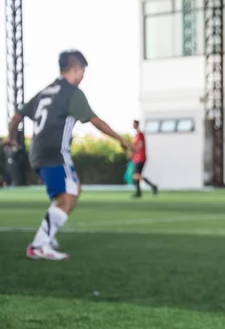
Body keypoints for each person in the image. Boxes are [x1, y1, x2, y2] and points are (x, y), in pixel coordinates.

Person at [1, 50, 131, 261]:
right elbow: (95, 121)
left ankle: (46, 236)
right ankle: (39, 245)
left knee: (73, 190)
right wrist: (121, 139)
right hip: (56, 154)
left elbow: (17, 116)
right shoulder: (72, 93)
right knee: (68, 198)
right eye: (82, 71)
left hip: (38, 152)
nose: (82, 76)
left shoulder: (46, 91)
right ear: (76, 68)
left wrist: (12, 137)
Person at [132, 119, 158, 198]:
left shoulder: (140, 134)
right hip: (137, 158)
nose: (133, 125)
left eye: (134, 124)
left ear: (137, 124)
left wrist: (133, 152)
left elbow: (140, 145)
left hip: (141, 158)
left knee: (136, 175)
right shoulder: (136, 135)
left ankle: (152, 186)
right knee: (137, 175)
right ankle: (139, 192)